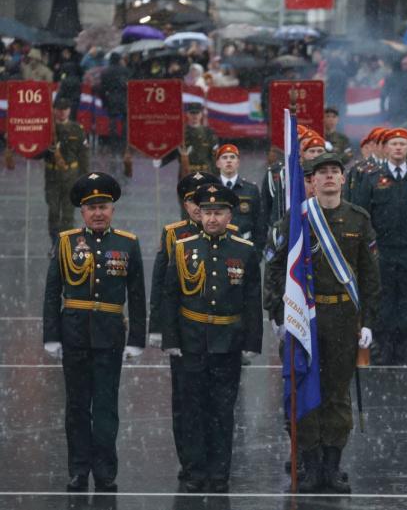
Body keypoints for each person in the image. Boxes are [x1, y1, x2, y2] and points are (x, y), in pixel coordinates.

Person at [264, 153, 381, 493]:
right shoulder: (296, 219)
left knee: (336, 394)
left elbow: (370, 276)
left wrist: (368, 321)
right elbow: (275, 269)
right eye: (322, 172)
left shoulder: (359, 219)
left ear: (343, 180)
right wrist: (279, 314)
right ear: (312, 181)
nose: (329, 177)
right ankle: (310, 467)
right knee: (304, 390)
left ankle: (332, 467)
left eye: (334, 172)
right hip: (305, 319)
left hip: (344, 318)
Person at [43, 172, 146, 492]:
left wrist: (137, 339)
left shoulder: (127, 243)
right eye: (92, 208)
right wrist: (51, 335)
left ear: (112, 209)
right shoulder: (66, 242)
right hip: (74, 334)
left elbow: (137, 295)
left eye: (103, 207)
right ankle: (78, 470)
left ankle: (105, 471)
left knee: (105, 408)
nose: (98, 213)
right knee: (76, 407)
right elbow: (52, 292)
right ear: (82, 212)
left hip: (110, 336)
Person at [161, 183, 262, 493]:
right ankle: (195, 470)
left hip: (227, 342)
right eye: (207, 213)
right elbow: (170, 296)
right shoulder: (182, 248)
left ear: (230, 215)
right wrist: (171, 339)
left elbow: (252, 300)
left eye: (218, 213)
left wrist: (251, 343)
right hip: (191, 342)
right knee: (192, 409)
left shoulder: (244, 250)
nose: (212, 219)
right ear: (199, 215)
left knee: (222, 411)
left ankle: (219, 473)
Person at [147, 170, 220, 481]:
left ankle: (215, 460)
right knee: (184, 400)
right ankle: (190, 460)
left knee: (216, 401)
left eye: (202, 199)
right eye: (192, 200)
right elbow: (161, 285)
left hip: (219, 332)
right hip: (184, 331)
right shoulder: (173, 234)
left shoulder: (227, 232)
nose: (197, 206)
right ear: (185, 204)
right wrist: (159, 328)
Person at [353, 128, 407, 365]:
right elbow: (363, 216)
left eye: (402, 144)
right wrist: (367, 249)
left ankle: (405, 347)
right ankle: (384, 346)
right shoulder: (372, 178)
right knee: (383, 299)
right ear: (386, 148)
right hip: (382, 249)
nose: (398, 148)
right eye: (394, 144)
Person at [44, 98, 90, 250]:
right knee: (53, 212)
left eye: (65, 109)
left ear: (69, 110)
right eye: (59, 109)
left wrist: (85, 179)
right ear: (54, 110)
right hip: (52, 175)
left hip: (71, 176)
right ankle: (54, 244)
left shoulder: (77, 129)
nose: (62, 112)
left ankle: (65, 245)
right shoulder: (47, 128)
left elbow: (84, 155)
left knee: (68, 215)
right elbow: (38, 153)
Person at [216, 144, 266, 262]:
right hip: (217, 247)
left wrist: (257, 252)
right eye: (224, 157)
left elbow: (260, 224)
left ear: (238, 162)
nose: (229, 160)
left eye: (232, 157)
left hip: (245, 246)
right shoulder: (211, 189)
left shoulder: (251, 189)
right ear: (218, 163)